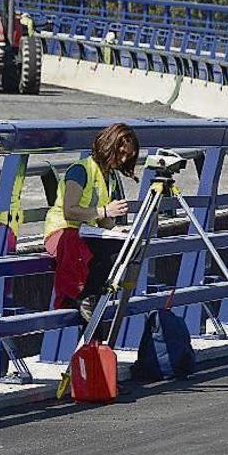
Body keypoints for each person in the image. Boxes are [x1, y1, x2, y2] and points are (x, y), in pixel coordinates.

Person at [44, 123, 139, 320]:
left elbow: (102, 220)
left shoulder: (109, 176)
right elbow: (70, 211)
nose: (122, 159)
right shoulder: (81, 170)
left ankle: (97, 294)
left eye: (127, 156)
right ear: (109, 145)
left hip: (86, 233)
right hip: (63, 232)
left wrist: (116, 230)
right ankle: (78, 296)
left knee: (121, 246)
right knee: (76, 245)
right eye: (120, 153)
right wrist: (106, 210)